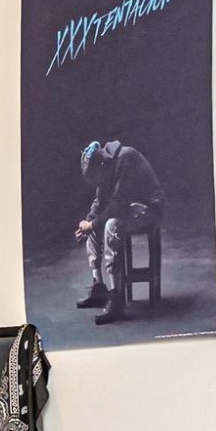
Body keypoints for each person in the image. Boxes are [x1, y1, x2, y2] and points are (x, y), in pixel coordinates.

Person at [73, 138, 163, 323]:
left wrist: (93, 224)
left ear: (101, 164)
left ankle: (117, 299)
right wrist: (87, 224)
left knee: (110, 225)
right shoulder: (104, 167)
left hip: (149, 207)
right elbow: (99, 203)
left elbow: (119, 202)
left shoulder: (125, 158)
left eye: (93, 179)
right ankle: (99, 287)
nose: (94, 184)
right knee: (94, 224)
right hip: (127, 207)